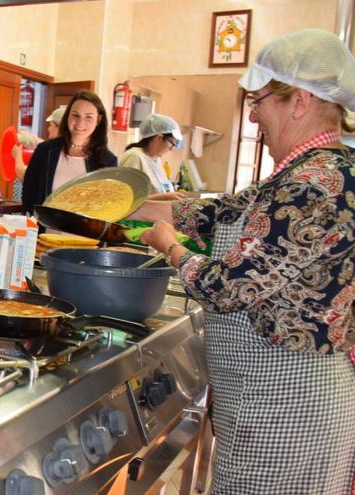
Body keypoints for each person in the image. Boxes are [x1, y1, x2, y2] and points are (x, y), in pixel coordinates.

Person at [134, 29, 355, 494]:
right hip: (267, 403)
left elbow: (225, 286)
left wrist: (170, 245)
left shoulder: (312, 185)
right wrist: (135, 202)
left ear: (298, 101)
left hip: (288, 408)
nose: (253, 116)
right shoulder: (313, 171)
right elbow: (226, 212)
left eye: (258, 102)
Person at [21, 90, 117, 214]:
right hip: (45, 231)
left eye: (89, 117)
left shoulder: (108, 161)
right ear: (68, 116)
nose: (80, 123)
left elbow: (109, 208)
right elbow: (29, 192)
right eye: (75, 115)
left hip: (85, 233)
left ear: (99, 120)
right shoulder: (45, 151)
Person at [119, 113, 187, 200]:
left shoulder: (157, 160)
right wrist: (162, 197)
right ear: (159, 138)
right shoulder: (134, 157)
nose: (171, 149)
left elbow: (163, 189)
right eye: (172, 143)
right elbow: (126, 198)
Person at [11, 105, 64, 182]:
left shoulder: (52, 154)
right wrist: (23, 137)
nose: (48, 129)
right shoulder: (65, 147)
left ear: (59, 128)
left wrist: (17, 156)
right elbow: (38, 142)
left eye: (51, 125)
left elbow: (25, 177)